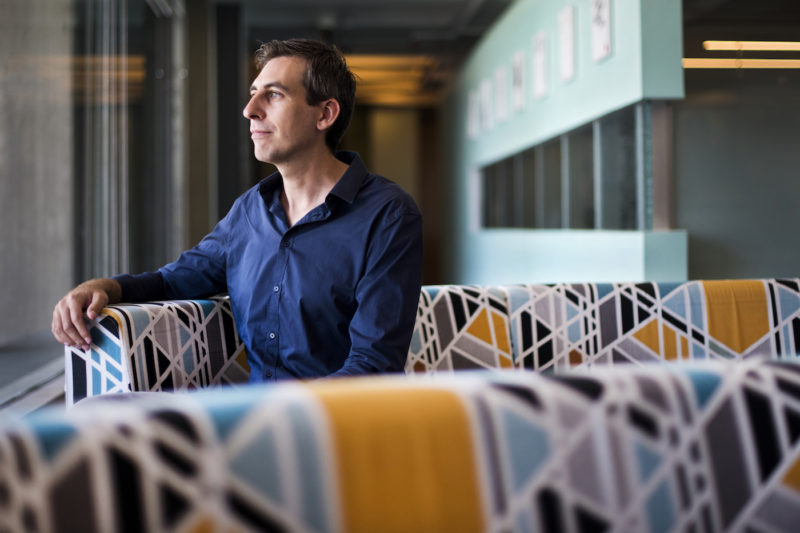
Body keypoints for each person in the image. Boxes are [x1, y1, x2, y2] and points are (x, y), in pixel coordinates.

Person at [52, 38, 423, 382]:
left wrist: (275, 416)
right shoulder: (248, 211)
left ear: (325, 114)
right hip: (257, 419)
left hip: (336, 422)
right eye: (253, 94)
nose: (250, 110)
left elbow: (373, 366)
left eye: (273, 95)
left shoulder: (388, 214)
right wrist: (102, 288)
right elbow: (173, 282)